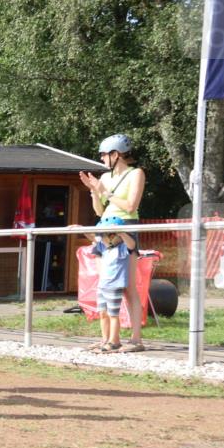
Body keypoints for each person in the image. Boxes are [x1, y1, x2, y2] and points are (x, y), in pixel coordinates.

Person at [79, 134, 146, 352]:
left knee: (128, 288)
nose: (101, 159)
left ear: (115, 155)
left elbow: (130, 205)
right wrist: (93, 192)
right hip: (105, 228)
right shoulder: (105, 177)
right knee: (105, 285)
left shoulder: (136, 173)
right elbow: (99, 211)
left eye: (104, 155)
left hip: (125, 228)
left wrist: (104, 191)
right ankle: (106, 338)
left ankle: (136, 339)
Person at [84, 217, 136, 353]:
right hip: (103, 285)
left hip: (115, 285)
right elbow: (93, 238)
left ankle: (115, 341)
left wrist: (122, 233)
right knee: (102, 313)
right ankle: (105, 339)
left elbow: (132, 245)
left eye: (110, 234)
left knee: (113, 314)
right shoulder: (103, 247)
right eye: (105, 235)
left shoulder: (123, 247)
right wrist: (81, 229)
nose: (106, 238)